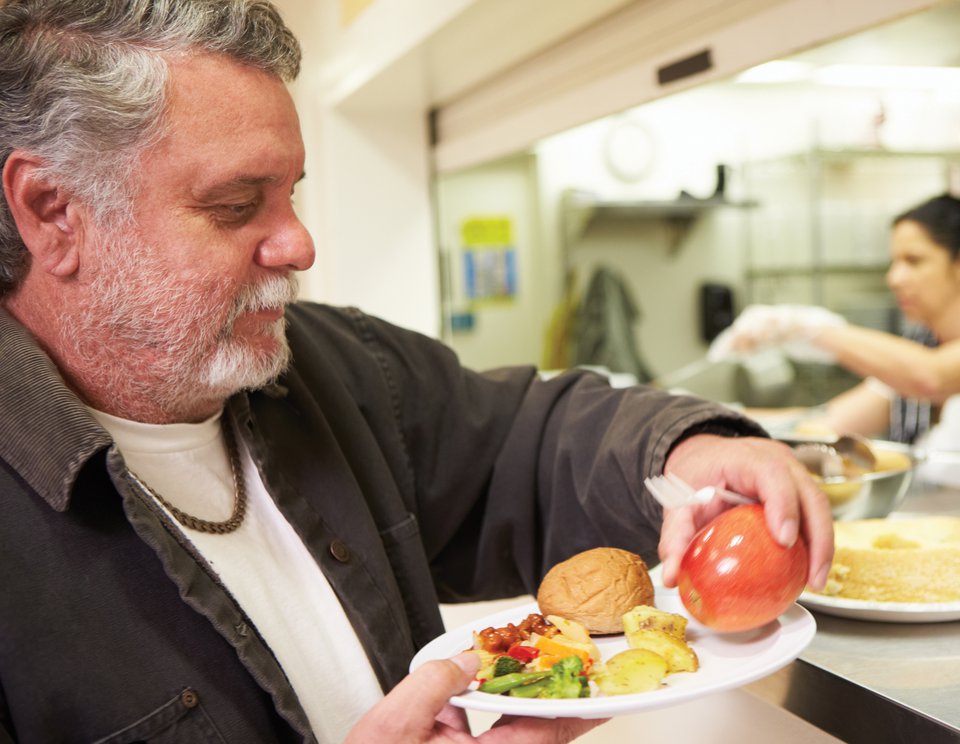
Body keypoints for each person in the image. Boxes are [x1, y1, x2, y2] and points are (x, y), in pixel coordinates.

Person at [0, 1, 833, 742]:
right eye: (234, 205)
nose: (299, 245)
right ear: (52, 212)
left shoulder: (333, 368)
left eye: (293, 193)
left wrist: (691, 451)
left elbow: (527, 439)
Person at [710, 194, 960, 447]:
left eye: (913, 261)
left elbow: (930, 377)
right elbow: (823, 423)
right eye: (894, 262)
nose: (894, 278)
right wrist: (710, 414)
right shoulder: (921, 344)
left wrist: (806, 327)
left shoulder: (923, 367)